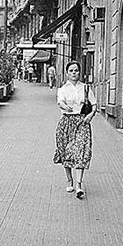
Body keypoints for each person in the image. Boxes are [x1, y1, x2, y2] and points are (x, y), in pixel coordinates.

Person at [53, 61, 97, 199]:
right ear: (67, 73)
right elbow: (60, 102)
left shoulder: (85, 88)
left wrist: (91, 115)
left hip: (82, 122)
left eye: (76, 70)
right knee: (66, 152)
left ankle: (79, 184)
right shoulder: (62, 89)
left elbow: (94, 105)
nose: (74, 73)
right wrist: (65, 106)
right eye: (71, 71)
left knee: (81, 151)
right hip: (66, 122)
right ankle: (69, 180)